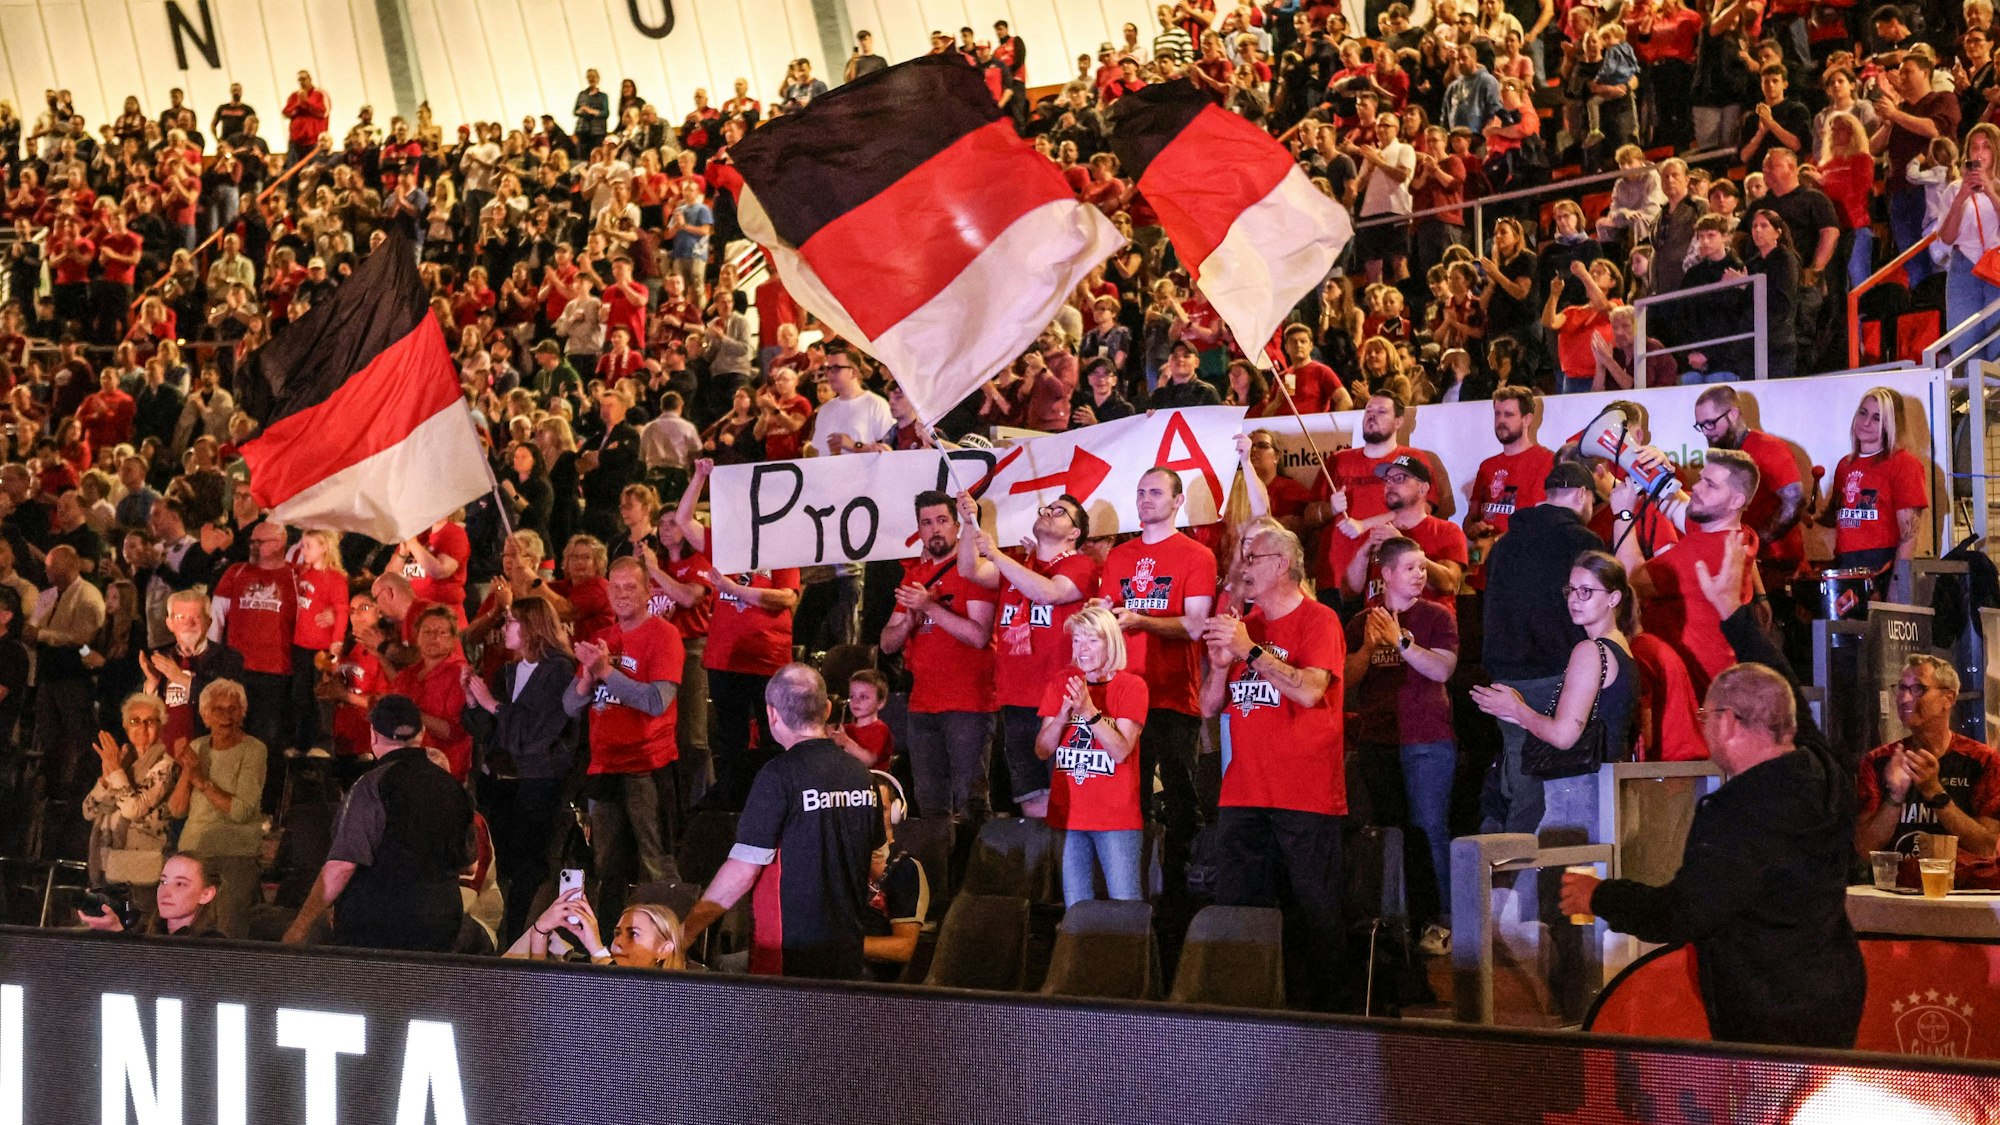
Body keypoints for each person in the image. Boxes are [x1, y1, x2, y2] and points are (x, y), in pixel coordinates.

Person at [1562, 534, 1865, 1048]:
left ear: (1726, 723)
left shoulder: (1737, 812)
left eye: (1707, 716)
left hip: (1768, 1011)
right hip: (1835, 991)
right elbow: (1785, 689)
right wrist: (1732, 614)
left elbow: (1682, 913)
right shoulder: (1825, 769)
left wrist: (1599, 894)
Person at [1199, 518, 1347, 1011]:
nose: (1241, 567)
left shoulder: (1318, 619)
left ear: (1282, 564)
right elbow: (1207, 707)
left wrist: (1250, 651)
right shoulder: (1247, 625)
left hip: (1304, 795)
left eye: (1251, 557)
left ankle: (1327, 1023)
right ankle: (1247, 1013)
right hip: (1242, 790)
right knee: (1241, 911)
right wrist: (1221, 667)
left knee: (1314, 914)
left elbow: (1310, 689)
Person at [682, 664, 884, 979]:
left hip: (786, 956)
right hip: (847, 951)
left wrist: (686, 931)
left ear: (772, 714)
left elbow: (742, 871)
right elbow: (874, 860)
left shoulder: (777, 776)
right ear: (828, 709)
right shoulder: (861, 774)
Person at [1474, 549, 1638, 850]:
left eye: (1586, 591)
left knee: (1553, 891)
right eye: (1571, 590)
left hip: (1578, 795)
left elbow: (1564, 736)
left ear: (1613, 599)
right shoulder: (1621, 647)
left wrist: (1518, 710)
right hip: (1604, 790)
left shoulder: (1590, 651)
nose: (1574, 599)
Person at [1101, 466, 1217, 890]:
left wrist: (1143, 621)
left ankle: (1185, 881)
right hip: (1123, 694)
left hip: (1171, 693)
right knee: (1130, 796)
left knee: (1180, 792)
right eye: (1140, 491)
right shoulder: (1119, 556)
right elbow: (1109, 616)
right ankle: (1133, 881)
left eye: (1155, 491)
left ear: (1177, 501)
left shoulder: (1196, 555)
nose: (1145, 498)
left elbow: (1196, 625)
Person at [284, 695, 473, 951]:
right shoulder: (452, 786)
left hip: (377, 922)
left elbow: (342, 865)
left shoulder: (371, 785)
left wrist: (300, 927)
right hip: (441, 918)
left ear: (373, 734)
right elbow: (469, 864)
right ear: (422, 732)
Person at [1344, 537, 1459, 955]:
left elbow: (1442, 669)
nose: (1420, 574)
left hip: (1427, 741)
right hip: (1377, 740)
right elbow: (1347, 681)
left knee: (1429, 831)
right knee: (1392, 833)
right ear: (1386, 573)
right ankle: (1399, 921)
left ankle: (1440, 922)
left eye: (1423, 567)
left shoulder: (1436, 615)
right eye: (1410, 567)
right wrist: (1371, 646)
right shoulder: (1362, 622)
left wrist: (1402, 642)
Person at [955, 490, 1097, 820]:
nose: (1048, 512)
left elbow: (1048, 592)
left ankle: (1067, 869)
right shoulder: (1020, 566)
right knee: (1032, 800)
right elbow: (970, 570)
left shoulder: (1081, 565)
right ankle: (1040, 870)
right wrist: (967, 522)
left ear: (1075, 533)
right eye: (1046, 507)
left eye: (1060, 512)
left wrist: (998, 556)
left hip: (1060, 700)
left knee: (1066, 799)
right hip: (1016, 698)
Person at [1480, 462, 1604, 834]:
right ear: (1583, 495)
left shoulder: (1504, 545)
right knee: (1568, 790)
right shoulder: (1584, 542)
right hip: (1562, 677)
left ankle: (1514, 880)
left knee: (1523, 784)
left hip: (1507, 680)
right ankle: (1554, 877)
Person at [679, 460, 799, 808]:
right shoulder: (725, 542)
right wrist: (699, 476)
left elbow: (787, 598)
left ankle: (772, 803)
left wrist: (735, 589)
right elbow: (685, 520)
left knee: (772, 739)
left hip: (767, 661)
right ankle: (735, 807)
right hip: (725, 658)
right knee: (729, 742)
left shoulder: (781, 548)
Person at [565, 555, 683, 905]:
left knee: (656, 861)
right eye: (615, 587)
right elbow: (570, 706)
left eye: (631, 586)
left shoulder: (664, 635)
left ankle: (670, 943)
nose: (622, 593)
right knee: (606, 863)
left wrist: (605, 672)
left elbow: (656, 701)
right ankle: (612, 941)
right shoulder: (602, 637)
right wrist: (587, 677)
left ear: (649, 591)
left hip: (647, 766)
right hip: (603, 766)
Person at [463, 594, 577, 941]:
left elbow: (538, 732)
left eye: (511, 622)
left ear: (532, 627)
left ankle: (521, 935)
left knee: (529, 866)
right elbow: (490, 731)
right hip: (501, 780)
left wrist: (491, 704)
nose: (505, 628)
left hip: (537, 781)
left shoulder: (559, 669)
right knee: (504, 863)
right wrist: (473, 701)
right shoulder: (509, 671)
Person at [880, 489, 996, 820]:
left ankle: (973, 870)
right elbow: (887, 643)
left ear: (958, 526)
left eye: (942, 520)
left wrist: (929, 606)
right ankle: (936, 871)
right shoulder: (914, 575)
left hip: (968, 704)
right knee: (930, 805)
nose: (934, 529)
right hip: (923, 704)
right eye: (926, 523)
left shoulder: (975, 569)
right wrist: (910, 623)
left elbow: (978, 635)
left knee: (971, 801)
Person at [1614, 448, 1761, 696]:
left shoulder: (1705, 550)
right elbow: (1676, 506)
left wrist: (1623, 514)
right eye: (1702, 479)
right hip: (1709, 683)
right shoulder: (1739, 535)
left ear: (1736, 500)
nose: (1698, 489)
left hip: (1690, 689)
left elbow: (1630, 581)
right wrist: (1657, 473)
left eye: (1710, 485)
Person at [1855, 654, 2000, 889]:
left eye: (1918, 688)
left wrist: (1935, 793)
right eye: (1901, 688)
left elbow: (1986, 846)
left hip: (1962, 901)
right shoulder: (1879, 761)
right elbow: (1864, 849)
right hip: (1894, 901)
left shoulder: (1982, 761)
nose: (1904, 697)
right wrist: (1894, 797)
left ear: (1948, 698)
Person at [1037, 605, 1148, 907]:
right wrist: (1062, 715)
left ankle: (1129, 956)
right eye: (1077, 640)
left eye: (1091, 640)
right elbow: (1042, 750)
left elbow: (1121, 750)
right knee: (1076, 909)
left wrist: (1089, 711)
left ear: (1110, 642)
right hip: (1070, 815)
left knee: (1126, 905)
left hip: (1115, 819)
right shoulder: (1063, 682)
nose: (1082, 649)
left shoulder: (1132, 686)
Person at [170, 679, 265, 938]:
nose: (226, 716)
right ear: (205, 715)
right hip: (193, 851)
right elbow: (177, 810)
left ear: (242, 713)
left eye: (233, 709)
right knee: (184, 930)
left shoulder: (254, 750)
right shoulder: (198, 747)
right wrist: (187, 771)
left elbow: (241, 811)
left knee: (227, 933)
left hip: (234, 854)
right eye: (218, 709)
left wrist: (200, 780)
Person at [1694, 386, 1806, 587]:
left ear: (1734, 414)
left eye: (1710, 423)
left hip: (1778, 565)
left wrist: (1755, 541)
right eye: (1700, 426)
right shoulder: (1721, 457)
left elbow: (1795, 502)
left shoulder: (1769, 447)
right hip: (1746, 563)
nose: (1706, 433)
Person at [209, 520, 298, 761]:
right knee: (230, 734)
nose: (253, 546)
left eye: (259, 542)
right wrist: (212, 657)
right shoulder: (236, 572)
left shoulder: (294, 576)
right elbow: (216, 617)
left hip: (276, 671)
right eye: (252, 541)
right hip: (237, 668)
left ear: (279, 543)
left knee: (265, 740)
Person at [1820, 387, 1928, 571]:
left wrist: (1897, 584)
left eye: (1877, 418)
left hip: (1882, 566)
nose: (1866, 422)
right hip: (1845, 566)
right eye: (1863, 413)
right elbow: (1835, 521)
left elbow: (1909, 535)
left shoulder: (1904, 463)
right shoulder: (1844, 465)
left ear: (1891, 424)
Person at [80, 693, 177, 891]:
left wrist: (116, 771)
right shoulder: (123, 760)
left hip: (142, 864)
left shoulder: (166, 765)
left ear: (161, 726)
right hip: (109, 862)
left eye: (150, 721)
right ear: (125, 726)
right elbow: (89, 810)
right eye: (135, 721)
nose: (142, 727)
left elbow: (133, 809)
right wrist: (105, 781)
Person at [1465, 387, 1555, 590]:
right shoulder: (1487, 466)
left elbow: (1539, 521)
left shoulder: (1545, 461)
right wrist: (1475, 529)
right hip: (1485, 577)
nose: (1500, 421)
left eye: (1509, 414)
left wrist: (1495, 541)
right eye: (1497, 414)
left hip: (1522, 575)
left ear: (1527, 419)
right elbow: (1471, 518)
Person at [1935, 122, 2000, 363]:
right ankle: (1969, 398)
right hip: (1964, 268)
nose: (1980, 153)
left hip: (1996, 267)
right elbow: (1947, 237)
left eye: (1986, 147)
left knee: (1997, 346)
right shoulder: (1954, 190)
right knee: (1965, 344)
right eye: (1974, 147)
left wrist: (1991, 191)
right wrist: (1963, 195)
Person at [507, 889, 685, 969]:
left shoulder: (675, 998)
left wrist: (596, 948)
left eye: (633, 934)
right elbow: (539, 989)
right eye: (617, 933)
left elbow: (622, 996)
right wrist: (541, 929)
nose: (619, 942)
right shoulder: (586, 968)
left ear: (663, 949)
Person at [77, 853, 221, 937]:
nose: (166, 892)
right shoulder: (147, 932)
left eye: (180, 884)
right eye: (163, 882)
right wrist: (115, 932)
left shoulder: (214, 945)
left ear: (206, 894)